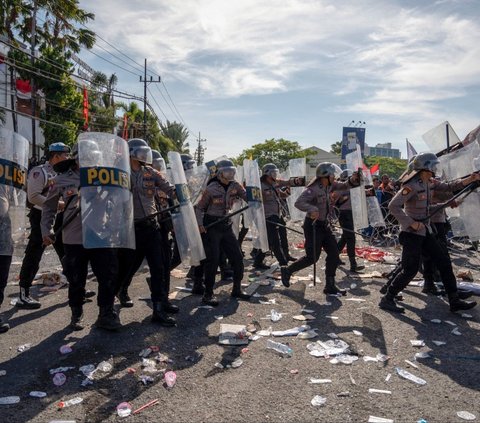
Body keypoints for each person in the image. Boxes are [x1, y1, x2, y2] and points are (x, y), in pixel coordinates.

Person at [379, 152, 478, 313]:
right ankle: (388, 298)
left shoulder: (428, 183)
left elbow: (449, 186)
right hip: (411, 234)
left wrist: (470, 179)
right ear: (426, 167)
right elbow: (393, 206)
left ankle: (454, 300)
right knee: (410, 270)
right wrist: (411, 223)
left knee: (444, 262)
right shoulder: (411, 186)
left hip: (425, 231)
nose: (436, 168)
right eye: (433, 165)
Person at [41, 142, 121, 331]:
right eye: (85, 158)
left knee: (108, 275)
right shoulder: (61, 179)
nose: (89, 162)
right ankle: (76, 313)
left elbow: (119, 201)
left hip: (101, 234)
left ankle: (106, 313)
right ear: (76, 159)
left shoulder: (105, 177)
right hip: (74, 237)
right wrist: (47, 230)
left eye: (93, 158)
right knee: (77, 278)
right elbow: (49, 207)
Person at [116, 139, 178, 327]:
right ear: (131, 153)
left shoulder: (151, 172)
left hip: (152, 226)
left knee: (158, 268)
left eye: (146, 153)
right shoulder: (119, 173)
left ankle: (158, 308)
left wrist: (182, 192)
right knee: (128, 266)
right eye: (141, 152)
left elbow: (169, 188)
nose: (144, 156)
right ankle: (120, 291)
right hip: (130, 227)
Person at [281, 162, 361, 295]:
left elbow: (345, 185)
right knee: (312, 257)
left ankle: (330, 285)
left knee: (334, 253)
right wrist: (312, 209)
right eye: (332, 175)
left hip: (324, 225)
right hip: (313, 226)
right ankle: (288, 270)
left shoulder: (330, 186)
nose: (334, 177)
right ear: (325, 176)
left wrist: (354, 179)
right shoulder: (313, 189)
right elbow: (299, 202)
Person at [16, 143, 76, 309]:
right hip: (40, 217)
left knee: (68, 252)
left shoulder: (64, 172)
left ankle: (77, 288)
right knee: (34, 254)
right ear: (55, 156)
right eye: (65, 154)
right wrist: (58, 204)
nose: (68, 158)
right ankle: (24, 293)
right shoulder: (40, 172)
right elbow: (33, 196)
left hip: (60, 217)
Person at [196, 159, 250, 306]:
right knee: (212, 261)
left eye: (232, 171)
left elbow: (247, 196)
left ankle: (237, 289)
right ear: (220, 173)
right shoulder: (211, 188)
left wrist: (255, 197)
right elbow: (199, 208)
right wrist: (200, 224)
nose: (231, 173)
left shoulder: (235, 185)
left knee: (237, 257)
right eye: (227, 171)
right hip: (211, 225)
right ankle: (208, 295)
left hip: (226, 224)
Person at [253, 163, 299, 270]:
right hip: (267, 217)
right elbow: (256, 205)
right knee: (274, 241)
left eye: (275, 172)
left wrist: (290, 187)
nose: (275, 175)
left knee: (282, 236)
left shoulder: (274, 184)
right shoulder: (259, 187)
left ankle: (285, 256)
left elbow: (282, 194)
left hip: (277, 215)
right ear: (266, 174)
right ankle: (283, 264)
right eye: (273, 173)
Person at [333, 169, 365, 272]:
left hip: (350, 213)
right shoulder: (341, 188)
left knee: (345, 238)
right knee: (351, 238)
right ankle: (353, 265)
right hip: (344, 214)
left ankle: (334, 257)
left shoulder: (352, 187)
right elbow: (336, 201)